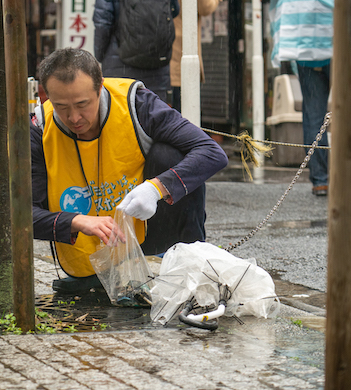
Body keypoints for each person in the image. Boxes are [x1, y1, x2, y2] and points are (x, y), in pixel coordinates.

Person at [31, 48, 228, 293]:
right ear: (47, 97)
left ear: (100, 87)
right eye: (61, 107)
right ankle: (101, 278)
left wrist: (156, 188)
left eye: (83, 104)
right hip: (85, 258)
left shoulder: (137, 104)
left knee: (172, 154)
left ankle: (182, 262)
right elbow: (22, 215)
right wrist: (77, 221)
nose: (74, 117)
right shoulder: (39, 127)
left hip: (145, 237)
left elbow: (211, 153)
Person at [269, 0, 334, 197]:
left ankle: (320, 180)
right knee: (350, 113)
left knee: (314, 115)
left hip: (305, 51)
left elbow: (275, 5)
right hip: (337, 44)